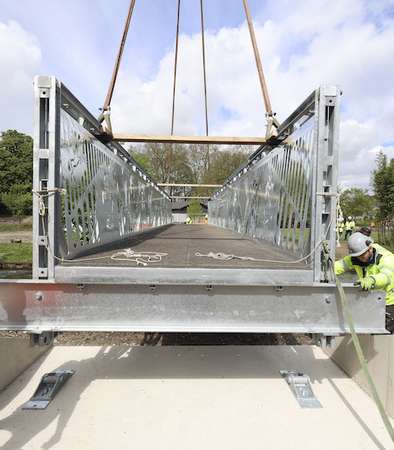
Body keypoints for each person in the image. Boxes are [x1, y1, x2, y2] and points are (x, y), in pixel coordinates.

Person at [335, 232, 394, 333]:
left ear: (370, 248)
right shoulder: (357, 257)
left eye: (362, 255)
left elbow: (386, 277)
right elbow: (339, 266)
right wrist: (324, 270)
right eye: (358, 256)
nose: (361, 259)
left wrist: (371, 280)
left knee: (383, 336)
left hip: (389, 302)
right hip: (371, 300)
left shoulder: (387, 258)